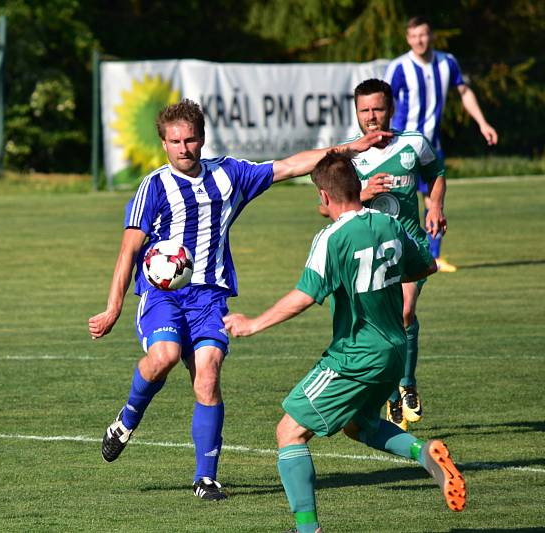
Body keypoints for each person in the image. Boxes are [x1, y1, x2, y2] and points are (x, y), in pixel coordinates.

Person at [88, 98, 390, 501]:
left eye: (191, 140)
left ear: (202, 138)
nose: (184, 148)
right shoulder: (154, 187)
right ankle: (127, 419)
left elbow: (290, 165)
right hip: (164, 296)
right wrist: (113, 307)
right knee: (163, 356)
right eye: (175, 141)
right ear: (164, 144)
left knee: (208, 373)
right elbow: (128, 250)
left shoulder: (230, 175)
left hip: (210, 298)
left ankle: (206, 478)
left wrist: (351, 147)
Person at [224, 150, 465, 532]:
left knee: (289, 431)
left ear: (324, 197)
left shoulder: (331, 238)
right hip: (395, 351)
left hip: (357, 354)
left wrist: (253, 324)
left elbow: (304, 296)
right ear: (357, 187)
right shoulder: (390, 224)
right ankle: (423, 453)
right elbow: (427, 266)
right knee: (359, 424)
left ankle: (308, 530)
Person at [342, 78, 446, 430]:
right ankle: (391, 396)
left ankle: (407, 383)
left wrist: (434, 208)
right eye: (364, 110)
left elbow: (437, 174)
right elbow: (326, 208)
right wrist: (363, 193)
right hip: (371, 253)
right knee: (382, 325)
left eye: (378, 109)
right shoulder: (349, 155)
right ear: (356, 112)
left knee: (403, 311)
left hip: (410, 245)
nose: (371, 117)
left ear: (391, 109)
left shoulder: (413, 143)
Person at [385, 15, 499, 272]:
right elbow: (384, 103)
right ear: (407, 38)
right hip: (401, 146)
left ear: (431, 35)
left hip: (431, 145)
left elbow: (464, 91)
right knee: (400, 198)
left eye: (423, 35)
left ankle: (433, 256)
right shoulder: (399, 67)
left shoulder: (448, 63)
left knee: (434, 199)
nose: (419, 41)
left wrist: (483, 123)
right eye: (413, 36)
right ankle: (398, 252)